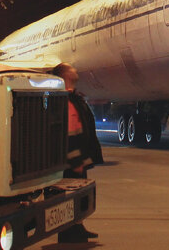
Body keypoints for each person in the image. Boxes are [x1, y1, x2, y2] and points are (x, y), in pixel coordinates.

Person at [52, 63, 103, 244]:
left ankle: (78, 228)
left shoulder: (73, 97)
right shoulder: (63, 100)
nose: (75, 70)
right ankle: (69, 234)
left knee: (79, 196)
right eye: (71, 68)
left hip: (77, 158)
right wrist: (75, 160)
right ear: (64, 74)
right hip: (71, 161)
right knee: (70, 197)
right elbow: (68, 134)